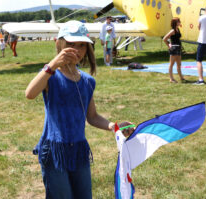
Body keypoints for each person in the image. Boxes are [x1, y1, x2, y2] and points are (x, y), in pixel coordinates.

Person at [25, 21, 134, 199]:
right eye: (70, 44)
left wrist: (115, 126)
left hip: (79, 151)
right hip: (54, 152)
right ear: (58, 43)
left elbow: (92, 116)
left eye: (81, 45)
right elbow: (29, 93)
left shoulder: (87, 81)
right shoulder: (50, 76)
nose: (77, 49)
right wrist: (52, 64)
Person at [163, 18, 185, 83]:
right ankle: (171, 79)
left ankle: (181, 77)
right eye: (178, 21)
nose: (180, 22)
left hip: (178, 48)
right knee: (171, 64)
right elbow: (164, 38)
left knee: (179, 64)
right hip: (174, 48)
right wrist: (169, 45)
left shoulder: (177, 29)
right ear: (175, 22)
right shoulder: (172, 31)